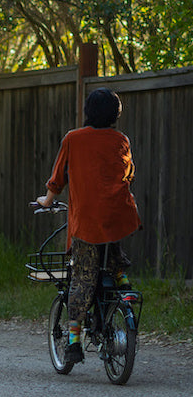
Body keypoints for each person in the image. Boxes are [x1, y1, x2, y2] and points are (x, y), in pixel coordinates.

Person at [36, 87, 141, 365]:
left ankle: (73, 342)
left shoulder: (74, 138)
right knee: (112, 234)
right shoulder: (121, 139)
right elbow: (128, 174)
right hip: (118, 214)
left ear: (88, 112)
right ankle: (121, 277)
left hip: (87, 222)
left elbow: (58, 177)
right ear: (116, 114)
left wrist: (47, 200)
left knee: (83, 276)